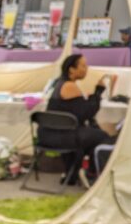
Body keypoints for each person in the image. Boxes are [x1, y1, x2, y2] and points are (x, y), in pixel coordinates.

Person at [44, 54, 116, 183]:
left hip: (48, 135)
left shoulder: (59, 84)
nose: (86, 69)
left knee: (90, 136)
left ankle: (73, 175)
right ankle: (92, 174)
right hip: (61, 137)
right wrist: (98, 92)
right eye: (83, 65)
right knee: (103, 136)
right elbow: (87, 113)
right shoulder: (69, 86)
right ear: (71, 69)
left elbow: (76, 110)